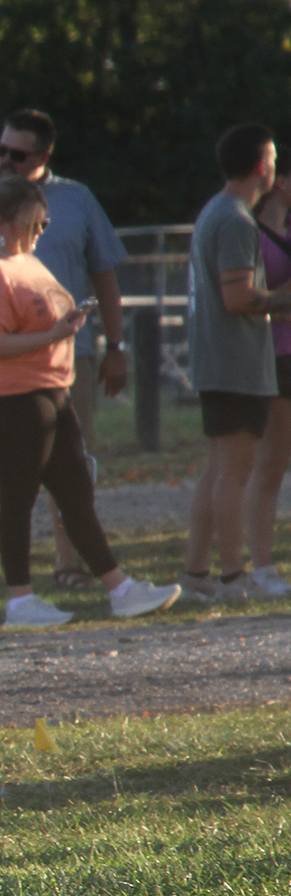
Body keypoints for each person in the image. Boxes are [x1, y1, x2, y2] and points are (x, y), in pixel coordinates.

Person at [0, 109, 130, 591]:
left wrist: (115, 345)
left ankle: (70, 564)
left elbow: (106, 274)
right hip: (7, 366)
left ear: (42, 156)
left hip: (63, 363)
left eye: (16, 154)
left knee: (70, 466)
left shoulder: (77, 201)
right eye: (0, 151)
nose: (4, 160)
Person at [0, 177, 181, 626]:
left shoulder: (28, 262)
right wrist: (53, 334)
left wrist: (68, 320)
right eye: (33, 220)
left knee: (76, 491)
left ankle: (120, 589)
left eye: (44, 219)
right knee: (20, 493)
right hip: (9, 396)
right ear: (4, 222)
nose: (42, 227)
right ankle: (20, 600)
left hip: (49, 389)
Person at [181, 124, 291, 601]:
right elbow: (238, 297)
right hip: (235, 363)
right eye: (270, 158)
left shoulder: (217, 212)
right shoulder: (236, 221)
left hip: (220, 360)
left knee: (218, 469)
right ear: (260, 165)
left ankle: (197, 572)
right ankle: (232, 576)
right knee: (234, 474)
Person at [247, 165, 291, 596]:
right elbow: (251, 297)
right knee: (271, 463)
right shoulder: (251, 233)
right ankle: (261, 567)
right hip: (277, 353)